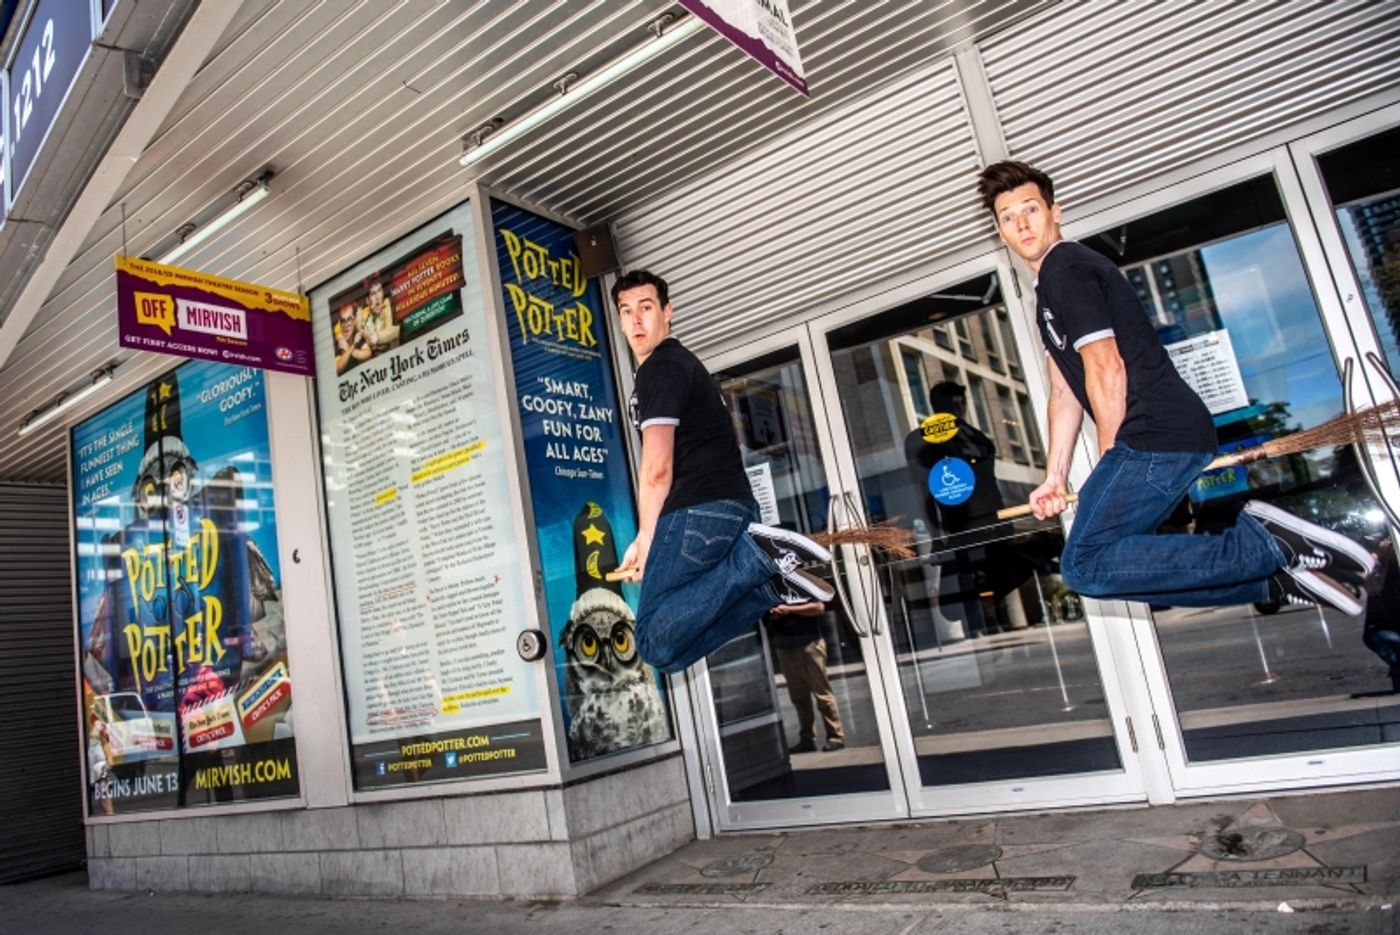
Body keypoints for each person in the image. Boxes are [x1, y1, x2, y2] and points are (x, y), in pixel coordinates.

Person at [976, 161, 1375, 614]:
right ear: (1000, 231)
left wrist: (1110, 458)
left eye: (1030, 209)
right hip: (1166, 434)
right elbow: (1065, 392)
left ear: (1056, 212)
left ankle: (1270, 542)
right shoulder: (1048, 291)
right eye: (1007, 217)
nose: (1021, 223)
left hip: (1154, 432)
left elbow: (1106, 367)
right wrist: (1055, 475)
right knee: (1100, 567)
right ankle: (1273, 581)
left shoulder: (1066, 266)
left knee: (1084, 564)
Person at [610, 269, 833, 674]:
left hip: (698, 509)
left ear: (668, 312)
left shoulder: (660, 367)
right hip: (729, 509)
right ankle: (767, 586)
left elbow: (657, 468)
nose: (636, 320)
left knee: (653, 639)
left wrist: (646, 537)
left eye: (646, 307)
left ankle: (757, 559)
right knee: (670, 653)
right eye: (626, 311)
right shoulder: (681, 366)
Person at [767, 600, 845, 753]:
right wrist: (773, 615)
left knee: (822, 694)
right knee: (799, 697)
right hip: (785, 647)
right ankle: (807, 739)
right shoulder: (772, 588)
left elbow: (819, 607)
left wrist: (789, 609)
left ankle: (836, 737)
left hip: (810, 644)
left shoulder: (800, 584)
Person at [333, 301, 373, 374]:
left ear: (354, 320)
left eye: (349, 319)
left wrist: (348, 348)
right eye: (343, 321)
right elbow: (337, 368)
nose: (346, 325)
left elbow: (368, 353)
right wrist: (352, 347)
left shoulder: (356, 336)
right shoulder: (337, 341)